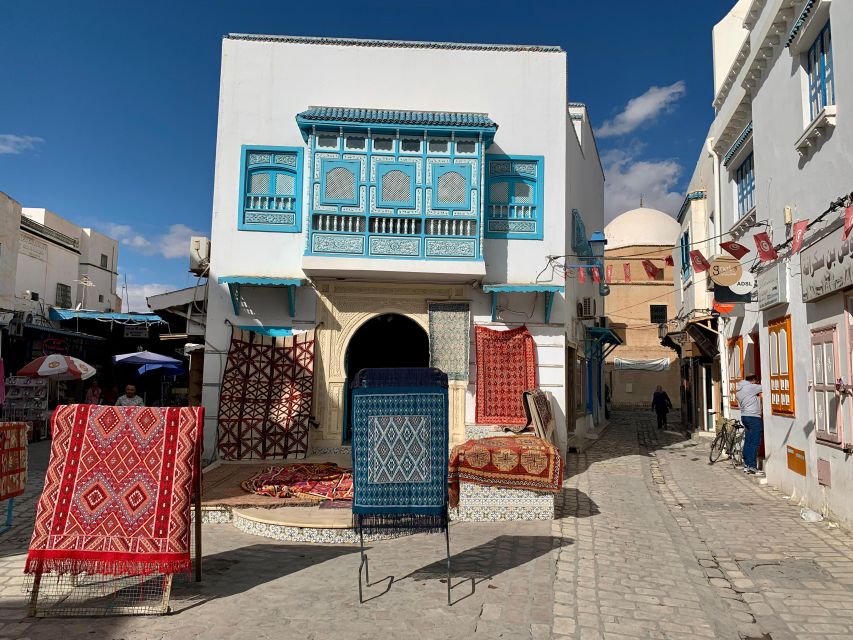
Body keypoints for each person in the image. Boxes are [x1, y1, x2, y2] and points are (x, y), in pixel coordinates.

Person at [736, 374, 764, 475]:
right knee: (755, 442)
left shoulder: (739, 390)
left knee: (748, 441)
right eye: (755, 382)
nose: (756, 384)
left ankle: (747, 465)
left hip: (744, 416)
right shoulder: (750, 387)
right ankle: (752, 466)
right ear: (753, 380)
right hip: (753, 417)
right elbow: (766, 386)